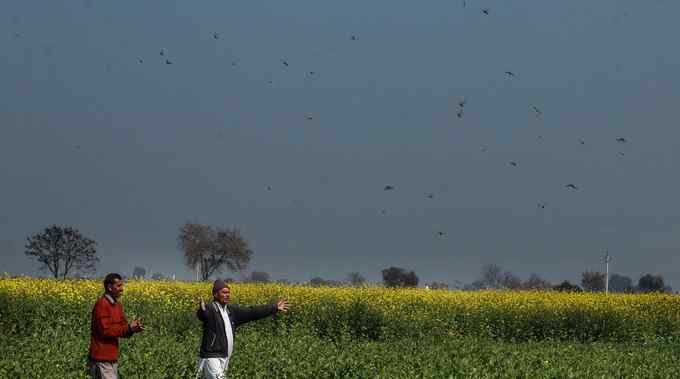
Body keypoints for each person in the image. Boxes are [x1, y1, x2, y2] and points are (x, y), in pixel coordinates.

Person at [195, 279, 290, 379]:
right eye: (224, 292)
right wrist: (202, 310)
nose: (227, 295)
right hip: (211, 356)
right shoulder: (211, 308)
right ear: (215, 294)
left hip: (225, 356)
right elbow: (204, 315)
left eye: (228, 293)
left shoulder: (231, 311)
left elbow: (252, 312)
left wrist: (274, 308)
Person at [88, 273, 144, 379]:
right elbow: (105, 331)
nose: (122, 289)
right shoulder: (102, 304)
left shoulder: (117, 305)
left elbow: (122, 328)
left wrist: (132, 329)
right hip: (101, 358)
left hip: (112, 358)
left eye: (122, 285)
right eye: (119, 286)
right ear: (109, 287)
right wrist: (128, 328)